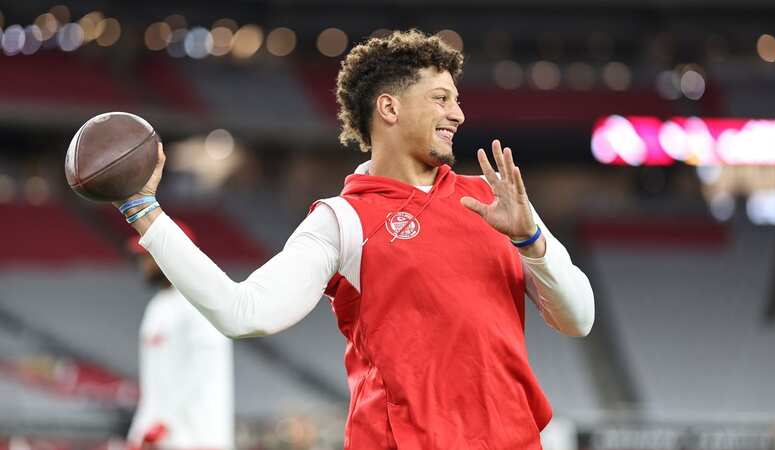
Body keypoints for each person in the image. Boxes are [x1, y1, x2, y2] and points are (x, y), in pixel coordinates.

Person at [114, 29, 594, 449]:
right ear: (389, 107)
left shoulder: (496, 201)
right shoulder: (341, 220)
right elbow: (244, 313)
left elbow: (579, 319)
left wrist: (531, 239)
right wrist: (144, 212)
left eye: (457, 100)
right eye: (441, 98)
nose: (459, 114)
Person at [125, 223, 234, 450]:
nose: (143, 264)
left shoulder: (202, 300)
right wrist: (142, 428)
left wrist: (166, 423)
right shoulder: (157, 307)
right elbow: (155, 383)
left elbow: (202, 371)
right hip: (160, 434)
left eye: (148, 257)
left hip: (199, 436)